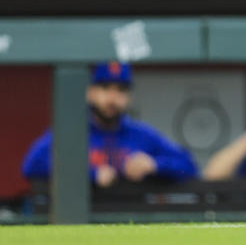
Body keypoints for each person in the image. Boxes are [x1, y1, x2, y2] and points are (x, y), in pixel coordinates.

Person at [21, 62, 196, 185]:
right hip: (82, 219)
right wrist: (91, 174)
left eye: (121, 90)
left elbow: (189, 166)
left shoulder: (141, 134)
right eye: (105, 88)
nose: (113, 98)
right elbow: (32, 166)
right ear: (90, 92)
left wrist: (154, 165)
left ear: (129, 97)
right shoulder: (71, 132)